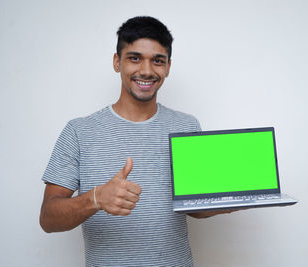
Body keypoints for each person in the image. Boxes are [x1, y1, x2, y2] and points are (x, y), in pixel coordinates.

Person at [39, 16, 231, 266]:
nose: (147, 71)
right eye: (135, 58)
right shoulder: (79, 131)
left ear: (168, 67)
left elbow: (194, 207)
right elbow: (48, 218)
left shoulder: (187, 126)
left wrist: (231, 200)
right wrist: (96, 198)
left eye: (158, 61)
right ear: (117, 62)